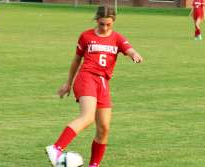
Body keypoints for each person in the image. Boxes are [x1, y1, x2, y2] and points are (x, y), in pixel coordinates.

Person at [45, 6, 143, 167]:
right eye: (102, 24)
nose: (104, 27)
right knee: (88, 117)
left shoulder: (117, 38)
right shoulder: (86, 36)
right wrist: (68, 83)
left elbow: (129, 49)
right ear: (97, 20)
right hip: (86, 78)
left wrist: (134, 54)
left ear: (113, 22)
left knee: (104, 128)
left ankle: (94, 165)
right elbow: (76, 60)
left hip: (103, 83)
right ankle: (56, 148)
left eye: (108, 24)